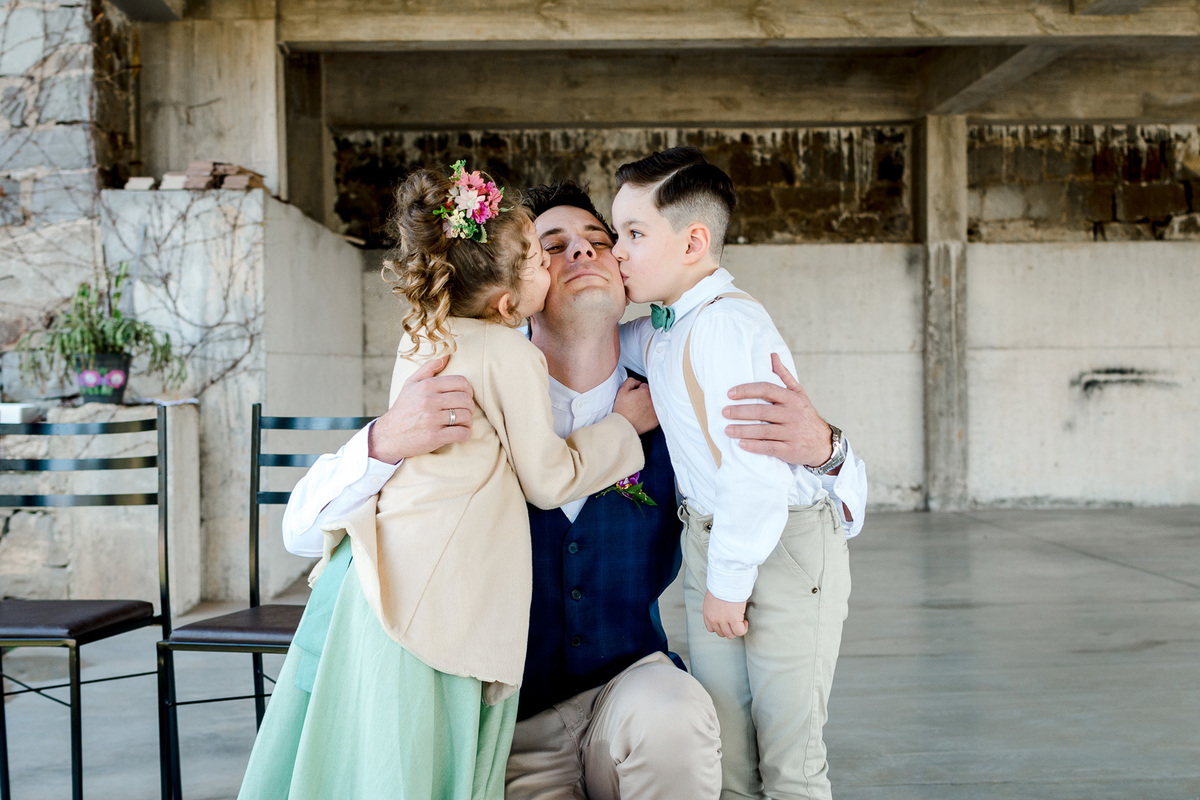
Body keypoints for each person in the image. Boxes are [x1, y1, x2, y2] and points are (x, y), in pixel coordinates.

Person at [280, 179, 861, 799]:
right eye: (550, 246)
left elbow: (830, 510)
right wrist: (381, 441)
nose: (581, 253)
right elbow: (300, 531)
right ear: (513, 290)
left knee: (680, 717)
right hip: (513, 720)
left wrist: (828, 450)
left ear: (624, 267)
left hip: (628, 689)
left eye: (600, 239)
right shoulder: (462, 402)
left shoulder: (672, 394)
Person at [237, 163, 656, 800]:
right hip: (441, 601)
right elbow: (548, 478)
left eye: (600, 242)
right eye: (544, 255)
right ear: (509, 303)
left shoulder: (422, 335)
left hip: (372, 582)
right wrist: (624, 430)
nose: (570, 260)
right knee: (426, 766)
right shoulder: (512, 353)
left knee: (368, 762)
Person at [611, 147, 867, 800]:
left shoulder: (727, 325)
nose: (618, 251)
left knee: (789, 763)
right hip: (714, 542)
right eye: (616, 234)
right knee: (726, 755)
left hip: (776, 547)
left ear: (694, 241)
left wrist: (727, 583)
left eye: (634, 235)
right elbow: (612, 342)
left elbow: (755, 473)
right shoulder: (670, 324)